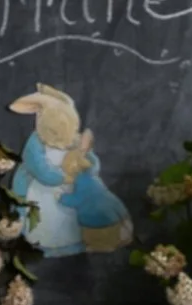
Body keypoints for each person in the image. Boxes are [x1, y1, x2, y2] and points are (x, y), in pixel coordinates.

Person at [8, 86, 132, 257]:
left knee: (73, 217)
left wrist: (89, 165)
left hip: (72, 188)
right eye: (54, 132)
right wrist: (60, 178)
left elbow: (88, 157)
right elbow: (39, 168)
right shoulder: (35, 144)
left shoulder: (72, 138)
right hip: (43, 189)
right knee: (48, 217)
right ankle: (47, 244)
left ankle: (78, 240)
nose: (61, 139)